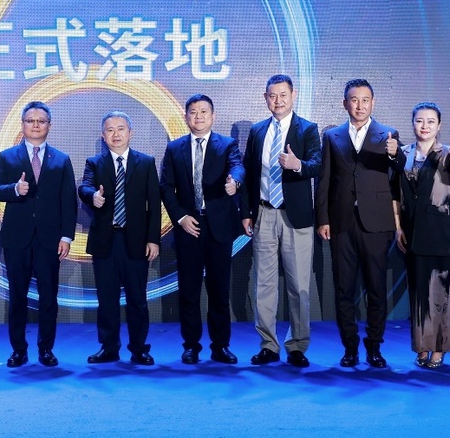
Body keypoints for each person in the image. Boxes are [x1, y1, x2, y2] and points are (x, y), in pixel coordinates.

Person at [315, 79, 400, 368]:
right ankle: (349, 347)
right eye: (354, 100)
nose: (360, 105)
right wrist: (323, 218)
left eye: (365, 100)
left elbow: (399, 171)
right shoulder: (332, 136)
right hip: (341, 223)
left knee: (376, 288)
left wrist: (395, 153)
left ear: (373, 103)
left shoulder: (388, 134)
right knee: (344, 289)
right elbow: (324, 181)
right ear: (345, 103)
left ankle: (374, 346)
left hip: (376, 223)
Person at [0, 101, 78, 368]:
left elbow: (69, 202)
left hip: (50, 239)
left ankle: (46, 349)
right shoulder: (8, 156)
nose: (36, 125)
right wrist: (15, 190)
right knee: (17, 296)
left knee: (49, 297)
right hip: (17, 238)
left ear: (49, 125)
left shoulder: (61, 159)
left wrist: (66, 237)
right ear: (23, 124)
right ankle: (18, 350)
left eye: (41, 121)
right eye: (31, 120)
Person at [242, 74, 321, 368]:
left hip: (295, 216)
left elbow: (318, 164)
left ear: (293, 95)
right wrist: (246, 212)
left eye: (283, 95)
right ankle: (268, 345)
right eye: (272, 96)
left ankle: (297, 345)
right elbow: (249, 173)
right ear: (265, 98)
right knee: (263, 284)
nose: (278, 101)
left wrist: (297, 164)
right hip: (264, 213)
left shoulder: (307, 129)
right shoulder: (257, 131)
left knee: (299, 285)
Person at [160, 94, 245, 364]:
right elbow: (165, 187)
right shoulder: (174, 148)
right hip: (188, 226)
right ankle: (191, 346)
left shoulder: (227, 144)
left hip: (219, 226)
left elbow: (237, 167)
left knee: (219, 290)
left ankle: (220, 346)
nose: (198, 116)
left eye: (204, 111)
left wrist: (235, 182)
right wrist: (180, 218)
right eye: (193, 112)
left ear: (213, 116)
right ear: (186, 117)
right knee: (189, 290)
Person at [80, 111, 162, 365]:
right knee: (107, 299)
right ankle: (109, 348)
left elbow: (154, 204)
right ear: (103, 135)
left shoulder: (146, 163)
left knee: (137, 299)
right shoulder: (95, 163)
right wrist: (93, 196)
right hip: (106, 241)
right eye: (110, 130)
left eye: (121, 129)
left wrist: (153, 239)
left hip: (136, 241)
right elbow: (84, 187)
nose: (116, 134)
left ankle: (139, 349)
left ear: (130, 133)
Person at [394, 102, 450, 369]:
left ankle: (439, 347)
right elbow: (395, 193)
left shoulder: (449, 153)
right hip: (411, 232)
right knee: (418, 294)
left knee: (439, 292)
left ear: (439, 125)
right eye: (419, 121)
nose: (424, 126)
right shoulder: (402, 154)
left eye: (430, 121)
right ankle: (422, 347)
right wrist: (398, 227)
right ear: (412, 123)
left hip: (439, 231)